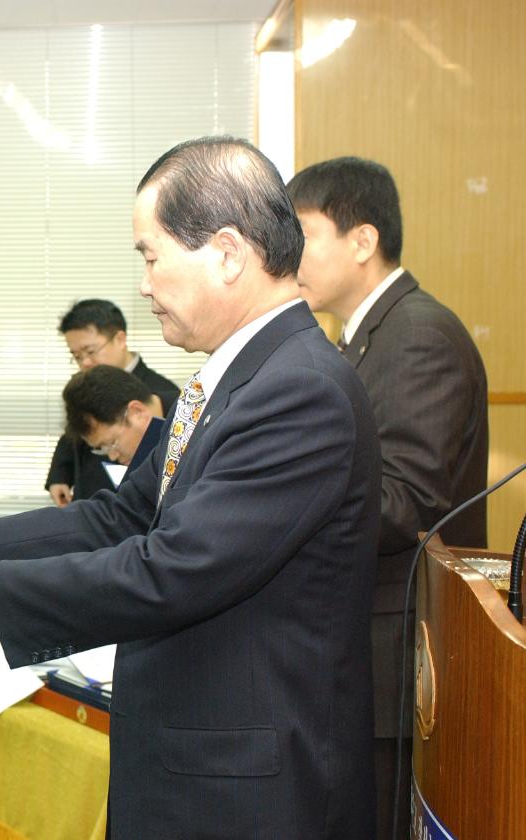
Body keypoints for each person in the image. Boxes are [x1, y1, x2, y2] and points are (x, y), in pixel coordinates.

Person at [0, 137, 381, 839]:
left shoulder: (298, 390)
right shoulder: (230, 378)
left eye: (151, 257)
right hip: (197, 747)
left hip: (250, 783)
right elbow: (129, 513)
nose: (145, 285)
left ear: (226, 252)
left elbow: (176, 568)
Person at [287, 155, 489, 839]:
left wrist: (278, 518)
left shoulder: (418, 334)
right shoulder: (364, 340)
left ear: (362, 241)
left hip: (396, 644)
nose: (289, 255)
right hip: (362, 637)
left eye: (303, 235)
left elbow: (405, 501)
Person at [46, 299, 179, 506]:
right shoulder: (85, 386)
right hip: (87, 503)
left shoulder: (161, 395)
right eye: (77, 356)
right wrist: (60, 472)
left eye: (90, 352)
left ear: (120, 339)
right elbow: (76, 431)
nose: (85, 362)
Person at [60, 364, 165, 480]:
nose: (112, 457)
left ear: (137, 412)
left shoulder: (186, 427)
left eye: (112, 443)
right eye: (102, 448)